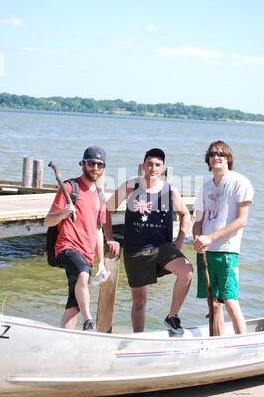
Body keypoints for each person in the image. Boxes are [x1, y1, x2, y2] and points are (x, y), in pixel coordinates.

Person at [104, 148, 193, 334]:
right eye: (150, 164)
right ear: (143, 166)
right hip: (135, 250)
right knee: (139, 302)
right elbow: (106, 210)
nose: (153, 168)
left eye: (157, 165)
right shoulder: (131, 186)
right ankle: (138, 338)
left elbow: (185, 214)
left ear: (163, 169)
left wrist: (179, 241)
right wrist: (110, 238)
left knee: (186, 270)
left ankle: (172, 316)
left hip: (162, 248)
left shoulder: (170, 191)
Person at [44, 146, 120, 331]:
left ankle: (65, 339)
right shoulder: (70, 187)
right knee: (82, 275)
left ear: (104, 168)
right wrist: (63, 213)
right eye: (91, 163)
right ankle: (89, 322)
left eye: (100, 165)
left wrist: (101, 262)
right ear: (82, 164)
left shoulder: (100, 195)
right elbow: (48, 221)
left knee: (74, 305)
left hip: (86, 254)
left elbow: (97, 230)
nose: (95, 167)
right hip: (66, 247)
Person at [193, 141, 254, 336]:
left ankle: (244, 343)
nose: (216, 156)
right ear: (208, 160)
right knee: (214, 304)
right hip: (206, 252)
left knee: (229, 301)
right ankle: (218, 344)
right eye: (212, 154)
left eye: (220, 153)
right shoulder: (205, 187)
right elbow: (198, 222)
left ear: (228, 158)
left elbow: (242, 220)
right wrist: (197, 240)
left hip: (227, 250)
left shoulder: (239, 182)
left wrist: (211, 237)